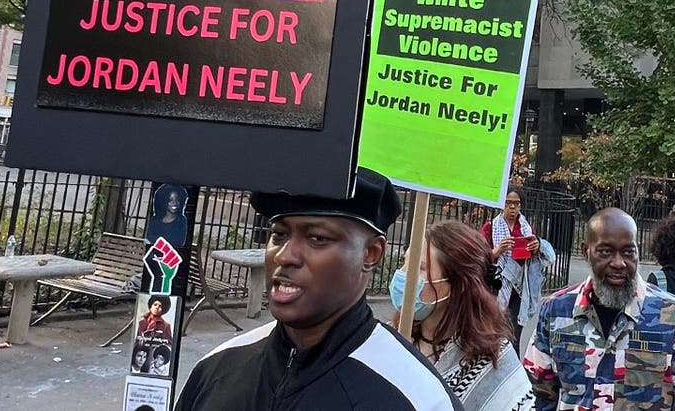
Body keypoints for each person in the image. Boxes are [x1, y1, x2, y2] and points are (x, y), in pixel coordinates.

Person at [175, 168, 462, 410]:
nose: (286, 255)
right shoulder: (217, 369)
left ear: (371, 253)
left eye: (317, 238)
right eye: (279, 234)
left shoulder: (417, 396)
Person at [524, 208, 675, 410]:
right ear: (586, 252)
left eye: (628, 252)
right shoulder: (556, 311)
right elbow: (538, 395)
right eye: (606, 251)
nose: (619, 263)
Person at [390, 221, 534, 411]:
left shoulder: (492, 361)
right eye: (404, 262)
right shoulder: (389, 341)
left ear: (458, 283)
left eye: (420, 267)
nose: (403, 275)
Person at [481, 187, 546, 346]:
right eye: (508, 203)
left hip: (520, 289)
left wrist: (536, 247)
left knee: (513, 335)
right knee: (495, 333)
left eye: (516, 204)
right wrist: (498, 250)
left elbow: (536, 256)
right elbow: (480, 256)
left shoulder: (526, 228)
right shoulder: (491, 227)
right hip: (497, 287)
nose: (512, 207)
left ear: (521, 206)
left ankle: (513, 366)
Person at [145, 183, 188, 248]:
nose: (175, 203)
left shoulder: (181, 221)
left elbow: (179, 243)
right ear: (163, 201)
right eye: (170, 200)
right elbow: (148, 240)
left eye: (177, 199)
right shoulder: (154, 220)